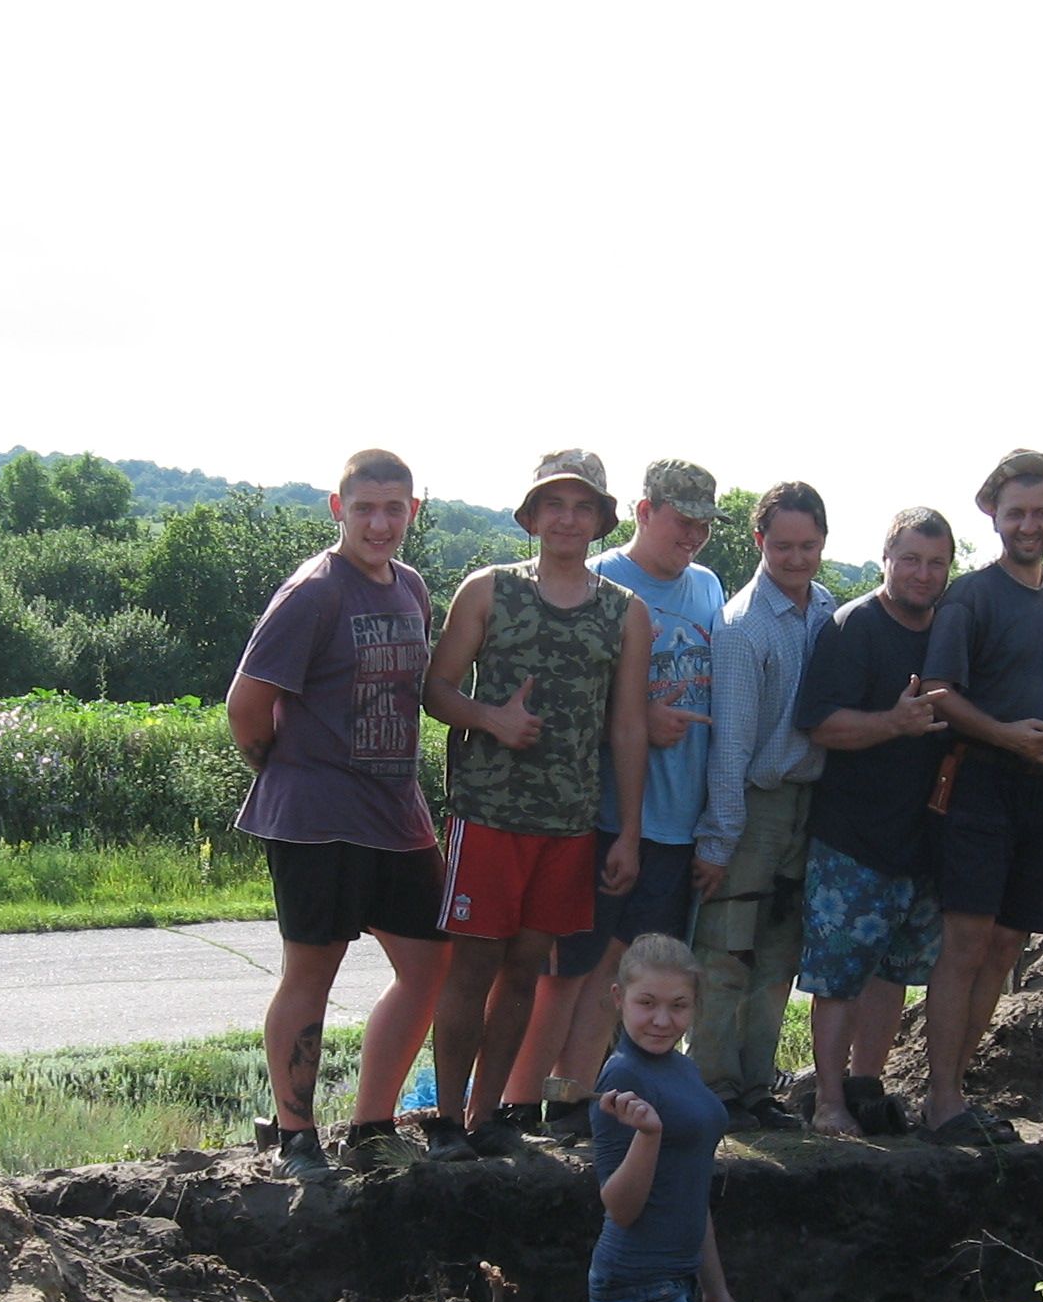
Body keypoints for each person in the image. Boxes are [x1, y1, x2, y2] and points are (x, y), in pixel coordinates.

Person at [225, 449, 451, 1182]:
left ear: (413, 511)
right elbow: (247, 711)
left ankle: (371, 1125)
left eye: (395, 509)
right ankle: (296, 1137)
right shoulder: (312, 593)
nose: (381, 523)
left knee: (430, 965)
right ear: (338, 510)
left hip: (398, 813)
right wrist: (295, 774)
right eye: (366, 509)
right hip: (316, 818)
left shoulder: (412, 588)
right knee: (310, 976)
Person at [420, 449, 653, 1161]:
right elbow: (436, 689)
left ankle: (489, 1115)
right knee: (471, 971)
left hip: (569, 825)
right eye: (554, 504)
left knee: (524, 972)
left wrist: (630, 835)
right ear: (531, 516)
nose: (568, 518)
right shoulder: (488, 590)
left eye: (583, 507)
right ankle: (446, 1118)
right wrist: (492, 720)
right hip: (488, 815)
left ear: (602, 520)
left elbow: (627, 726)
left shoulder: (626, 613)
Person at [506, 460, 727, 1141]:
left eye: (703, 524)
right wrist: (631, 719)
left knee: (619, 971)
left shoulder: (709, 587)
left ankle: (574, 1104)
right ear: (642, 511)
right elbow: (566, 704)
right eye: (680, 519)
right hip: (602, 815)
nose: (692, 535)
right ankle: (518, 1107)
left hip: (676, 818)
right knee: (566, 970)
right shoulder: (600, 581)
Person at [918, 451, 1043, 1146]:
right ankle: (939, 1100)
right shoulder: (971, 595)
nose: (1028, 523)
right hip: (980, 780)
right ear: (993, 514)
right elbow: (937, 693)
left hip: (1041, 787)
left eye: (1041, 512)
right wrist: (1005, 736)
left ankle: (959, 1090)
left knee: (1009, 942)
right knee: (965, 941)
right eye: (1015, 512)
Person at [791, 507, 955, 1136]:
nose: (922, 573)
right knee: (838, 979)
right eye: (910, 559)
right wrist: (893, 722)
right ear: (886, 558)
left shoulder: (949, 630)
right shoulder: (852, 626)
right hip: (853, 838)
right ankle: (828, 1103)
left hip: (924, 838)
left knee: (892, 973)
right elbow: (819, 722)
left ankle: (865, 1087)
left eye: (936, 562)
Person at [690, 482, 836, 1130]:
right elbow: (731, 745)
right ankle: (713, 1086)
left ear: (824, 543)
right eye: (782, 546)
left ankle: (756, 1086)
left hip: (812, 802)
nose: (796, 558)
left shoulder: (828, 609)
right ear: (758, 542)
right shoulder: (743, 625)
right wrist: (718, 842)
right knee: (726, 953)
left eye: (807, 546)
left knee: (779, 956)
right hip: (755, 801)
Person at [590, 933, 743, 1302]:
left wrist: (715, 1290)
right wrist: (648, 1136)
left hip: (680, 1279)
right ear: (619, 997)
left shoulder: (683, 1067)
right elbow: (620, 1208)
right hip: (637, 1285)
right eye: (647, 1003)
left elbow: (692, 1191)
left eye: (679, 1006)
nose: (662, 1020)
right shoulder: (623, 1075)